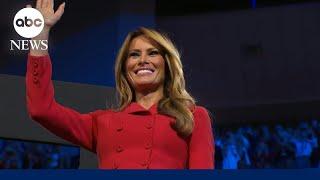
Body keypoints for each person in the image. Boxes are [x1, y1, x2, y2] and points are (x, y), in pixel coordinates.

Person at [25, 0, 214, 169]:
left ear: (167, 64)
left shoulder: (193, 117)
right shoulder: (102, 122)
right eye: (134, 55)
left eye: (153, 53)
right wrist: (40, 36)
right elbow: (41, 109)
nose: (143, 60)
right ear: (125, 69)